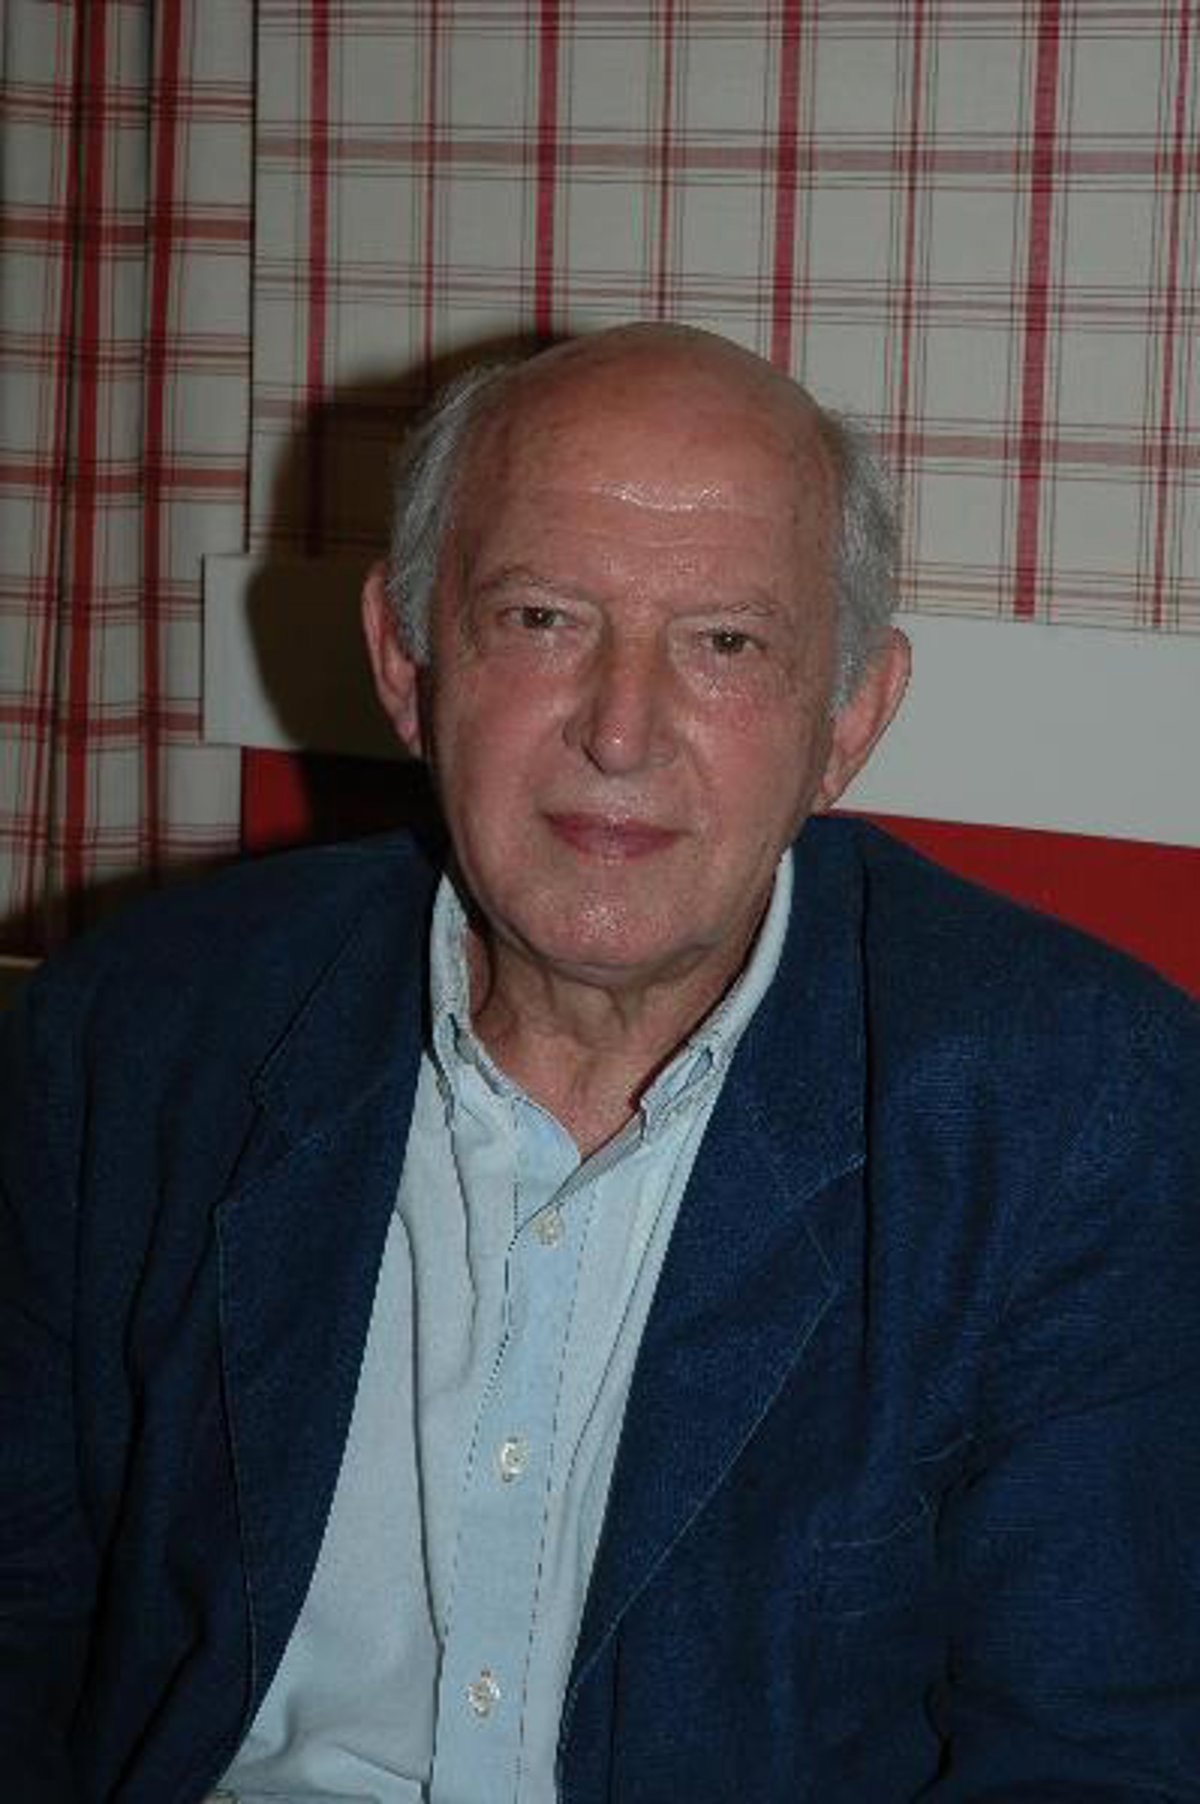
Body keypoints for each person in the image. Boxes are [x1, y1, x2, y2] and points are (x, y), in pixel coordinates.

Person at [2, 324, 1198, 1803]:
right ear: (406, 663)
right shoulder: (143, 1030)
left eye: (726, 643)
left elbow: (1097, 1756)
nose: (621, 733)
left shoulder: (1077, 1110)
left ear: (848, 720)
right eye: (543, 618)